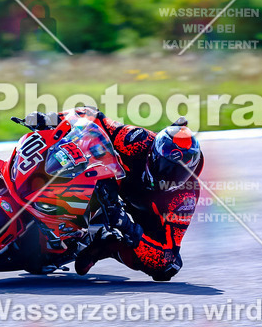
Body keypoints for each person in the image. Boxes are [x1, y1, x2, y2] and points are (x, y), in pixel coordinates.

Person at [25, 107, 203, 281]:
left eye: (178, 171)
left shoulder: (185, 197)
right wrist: (52, 119)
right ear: (154, 153)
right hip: (113, 182)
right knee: (77, 155)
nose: (168, 174)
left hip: (145, 216)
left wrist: (127, 226)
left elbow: (168, 254)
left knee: (166, 268)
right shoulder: (138, 140)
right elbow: (95, 117)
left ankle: (105, 246)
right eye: (166, 166)